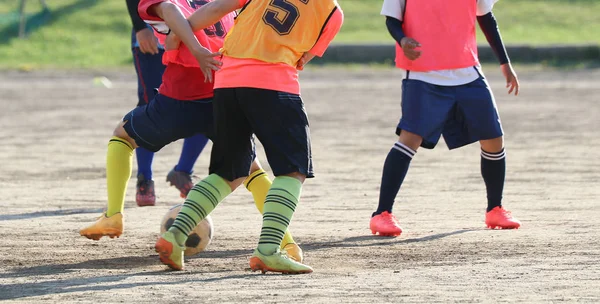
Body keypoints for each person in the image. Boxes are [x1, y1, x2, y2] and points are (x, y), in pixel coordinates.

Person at [80, 0, 303, 264]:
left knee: (122, 136)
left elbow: (170, 11)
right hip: (223, 96)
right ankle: (286, 244)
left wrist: (194, 48)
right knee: (251, 170)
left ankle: (113, 215)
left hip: (178, 99)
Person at [154, 0, 344, 273]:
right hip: (275, 84)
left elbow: (217, 9)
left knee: (228, 173)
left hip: (227, 81)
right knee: (292, 171)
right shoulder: (333, 14)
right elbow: (302, 59)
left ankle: (174, 237)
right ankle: (268, 251)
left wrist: (178, 33)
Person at [369, 0, 522, 237]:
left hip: (466, 68)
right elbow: (391, 19)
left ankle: (495, 208)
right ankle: (382, 214)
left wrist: (505, 62)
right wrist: (402, 40)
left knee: (493, 137)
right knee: (410, 139)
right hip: (422, 71)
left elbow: (486, 16)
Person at [126, 0, 210, 206]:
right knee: (150, 105)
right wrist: (139, 27)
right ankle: (144, 178)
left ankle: (183, 171)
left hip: (197, 38)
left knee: (206, 103)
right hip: (153, 35)